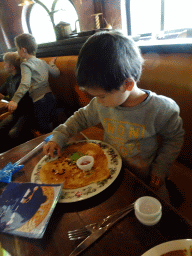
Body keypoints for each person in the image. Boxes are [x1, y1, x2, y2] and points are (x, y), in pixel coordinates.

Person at [43, 30, 184, 202]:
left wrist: (160, 170)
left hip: (146, 175)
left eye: (101, 96)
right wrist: (59, 136)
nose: (98, 102)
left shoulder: (160, 109)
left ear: (128, 84)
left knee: (161, 206)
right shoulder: (100, 104)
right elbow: (81, 118)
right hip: (110, 170)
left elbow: (174, 138)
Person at [7, 33, 60, 134]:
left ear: (23, 50)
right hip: (50, 98)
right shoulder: (42, 62)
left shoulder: (25, 65)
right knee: (51, 126)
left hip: (40, 101)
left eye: (17, 49)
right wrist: (52, 64)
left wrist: (14, 100)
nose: (17, 52)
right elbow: (56, 73)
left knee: (45, 131)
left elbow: (25, 84)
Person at [0, 52, 34, 152]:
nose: (3, 65)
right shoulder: (11, 77)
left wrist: (6, 103)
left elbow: (24, 104)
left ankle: (18, 154)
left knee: (13, 134)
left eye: (5, 63)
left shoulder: (22, 79)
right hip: (16, 113)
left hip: (27, 113)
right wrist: (6, 101)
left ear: (12, 67)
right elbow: (2, 91)